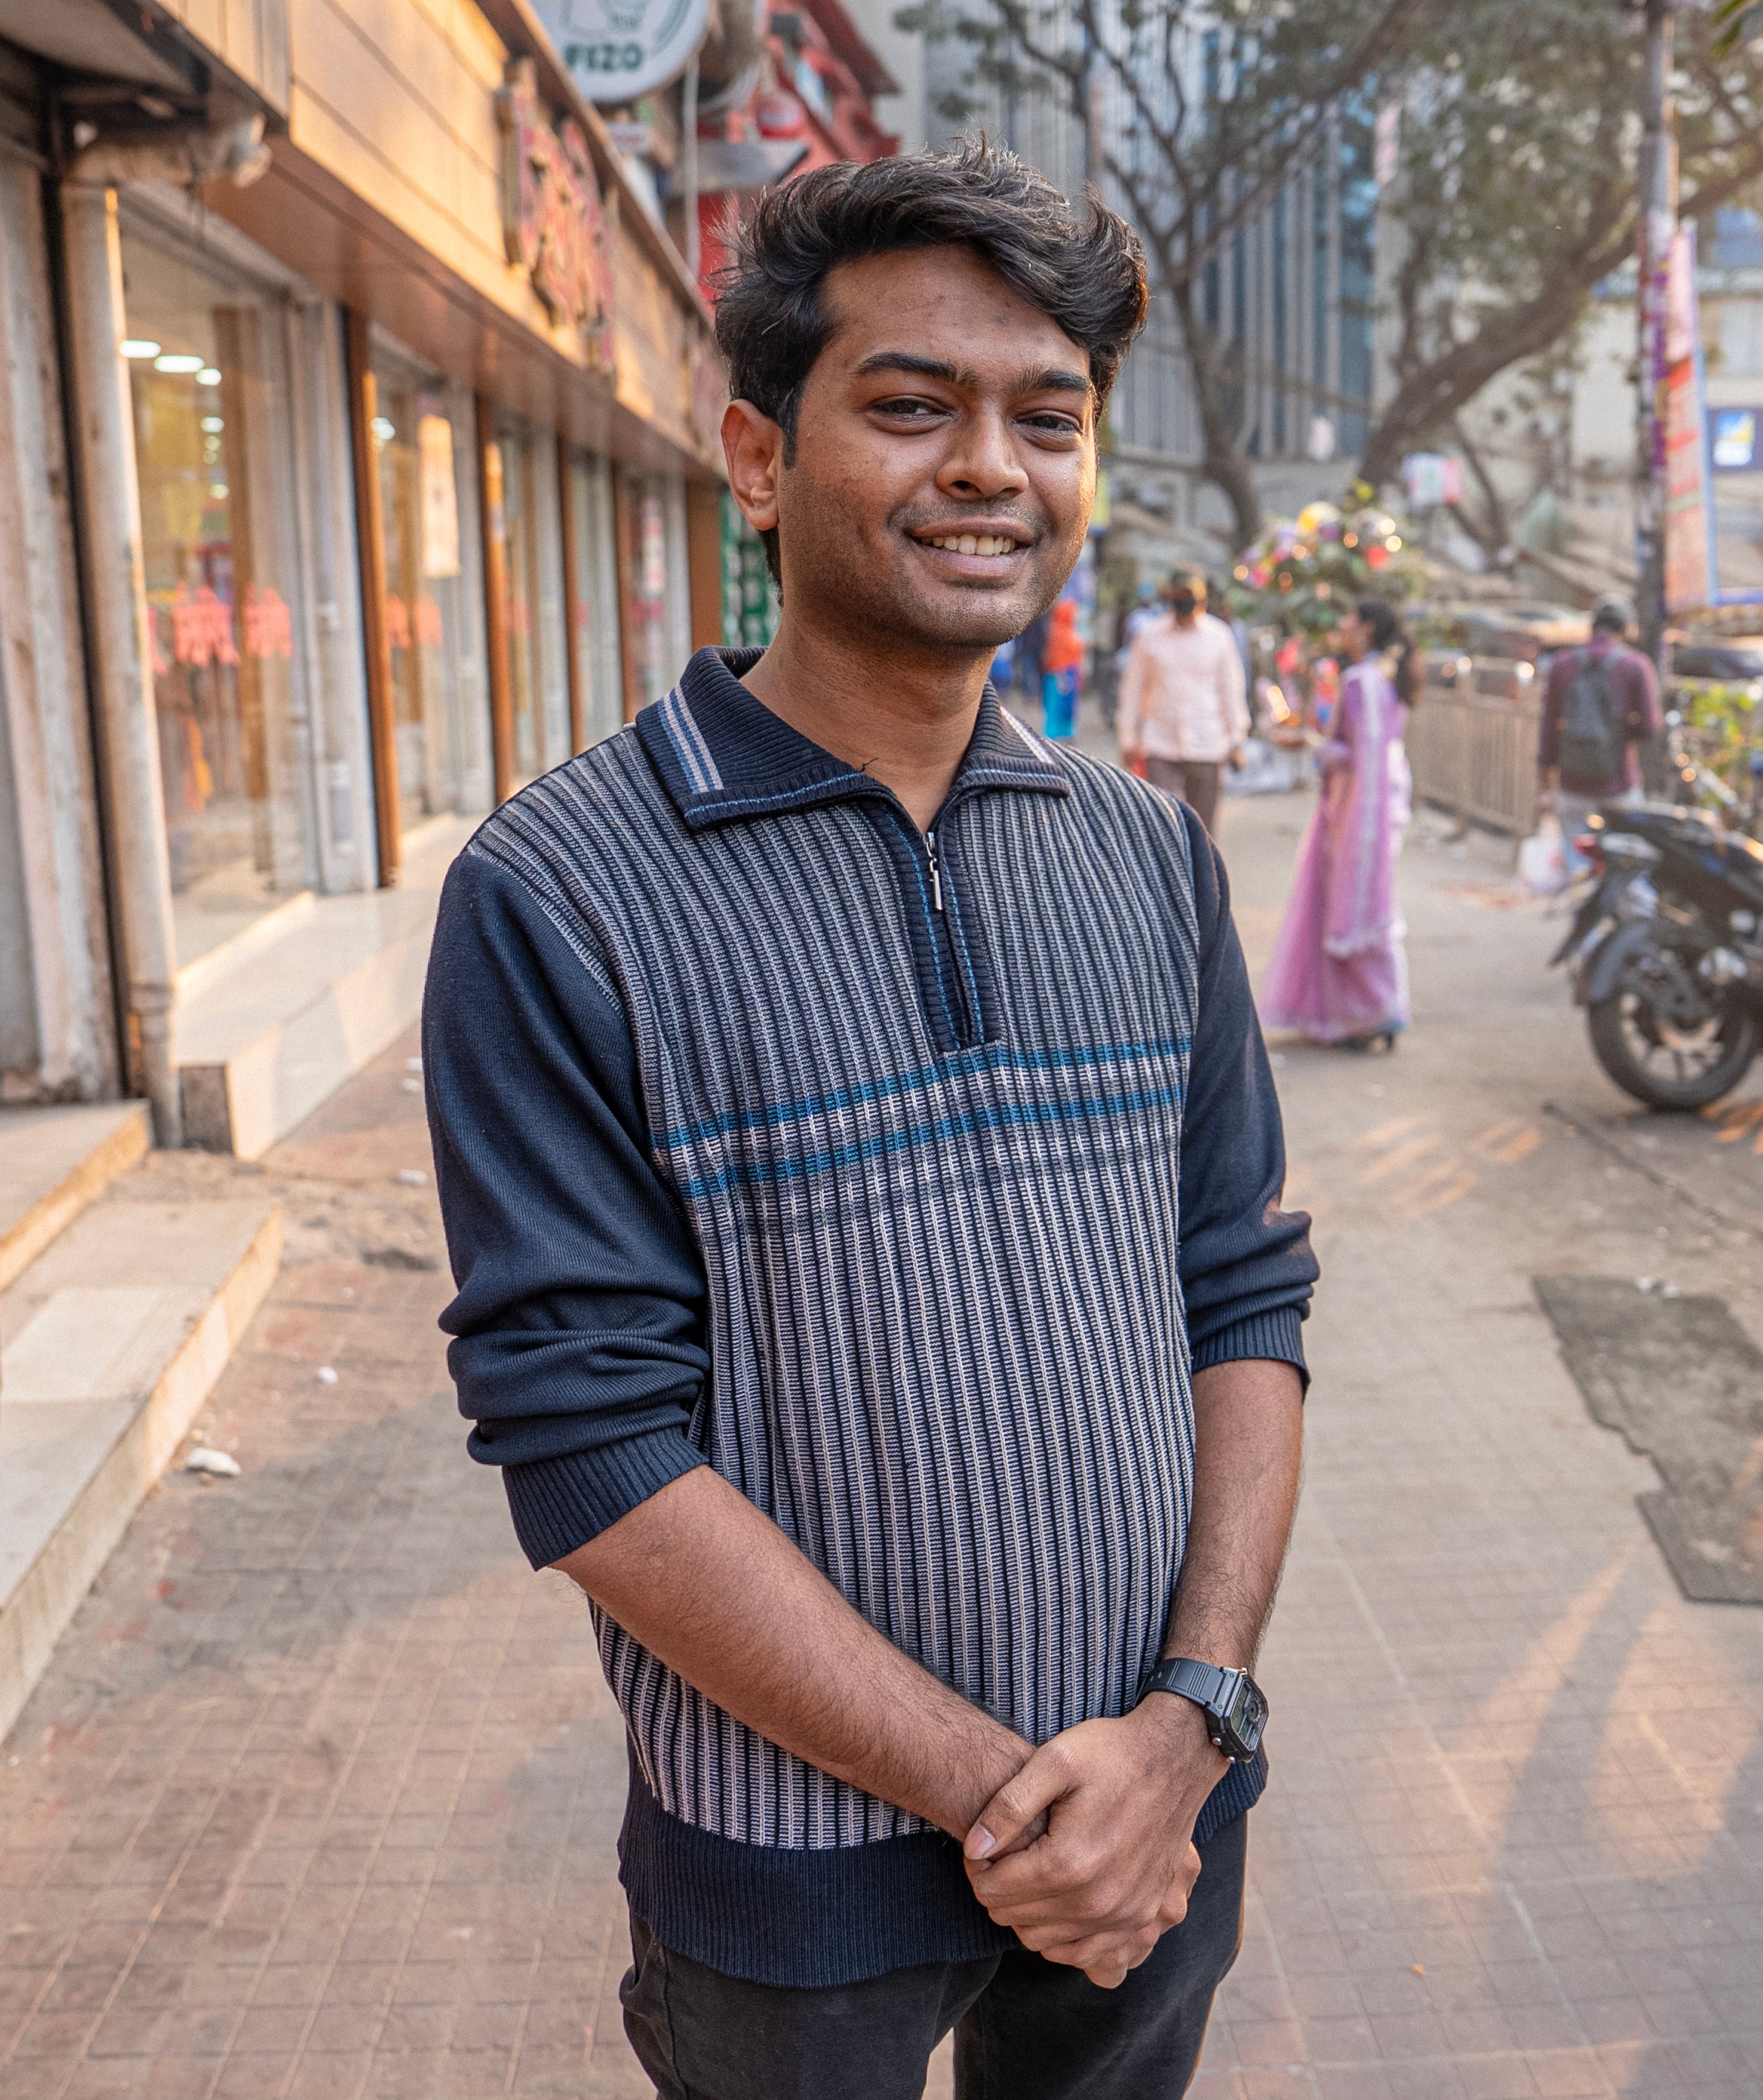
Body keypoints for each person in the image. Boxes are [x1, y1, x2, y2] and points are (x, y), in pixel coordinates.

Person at [421, 145, 1319, 2097]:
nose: (991, 466)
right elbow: (587, 1444)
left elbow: (1242, 1300)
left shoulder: (1148, 859)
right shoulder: (559, 893)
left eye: (1046, 417)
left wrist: (1188, 1729)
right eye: (911, 406)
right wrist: (1023, 1803)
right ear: (759, 458)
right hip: (795, 1880)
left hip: (1157, 1819)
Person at [1261, 599, 1412, 1050]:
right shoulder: (1384, 678)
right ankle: (1372, 1011)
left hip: (1355, 809)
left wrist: (1309, 742)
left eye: (1348, 618)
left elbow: (1357, 756)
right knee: (1367, 902)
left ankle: (1362, 1014)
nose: (1341, 625)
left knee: (1350, 904)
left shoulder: (1361, 681)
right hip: (1377, 804)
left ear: (1365, 629)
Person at [1118, 567, 1249, 831]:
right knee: (1159, 827)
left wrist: (1237, 738)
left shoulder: (1219, 636)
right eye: (1179, 595)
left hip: (1208, 745)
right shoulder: (1150, 636)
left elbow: (1231, 690)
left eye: (1189, 595)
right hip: (1160, 745)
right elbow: (1132, 689)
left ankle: (1200, 874)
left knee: (1203, 831)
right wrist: (1128, 738)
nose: (1184, 601)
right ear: (1169, 597)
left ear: (1202, 598)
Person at [1537, 603, 1662, 859]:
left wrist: (1546, 776)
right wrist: (1622, 731)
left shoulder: (1562, 664)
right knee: (1627, 864)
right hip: (1619, 781)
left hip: (1571, 780)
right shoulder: (1635, 665)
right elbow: (1649, 728)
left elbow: (1549, 726)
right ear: (1625, 630)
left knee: (1575, 865)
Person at [1043, 594, 1084, 739]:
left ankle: (1067, 731)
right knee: (1056, 704)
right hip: (1060, 674)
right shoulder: (1059, 632)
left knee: (1069, 705)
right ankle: (1053, 732)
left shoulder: (1069, 631)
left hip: (1071, 672)